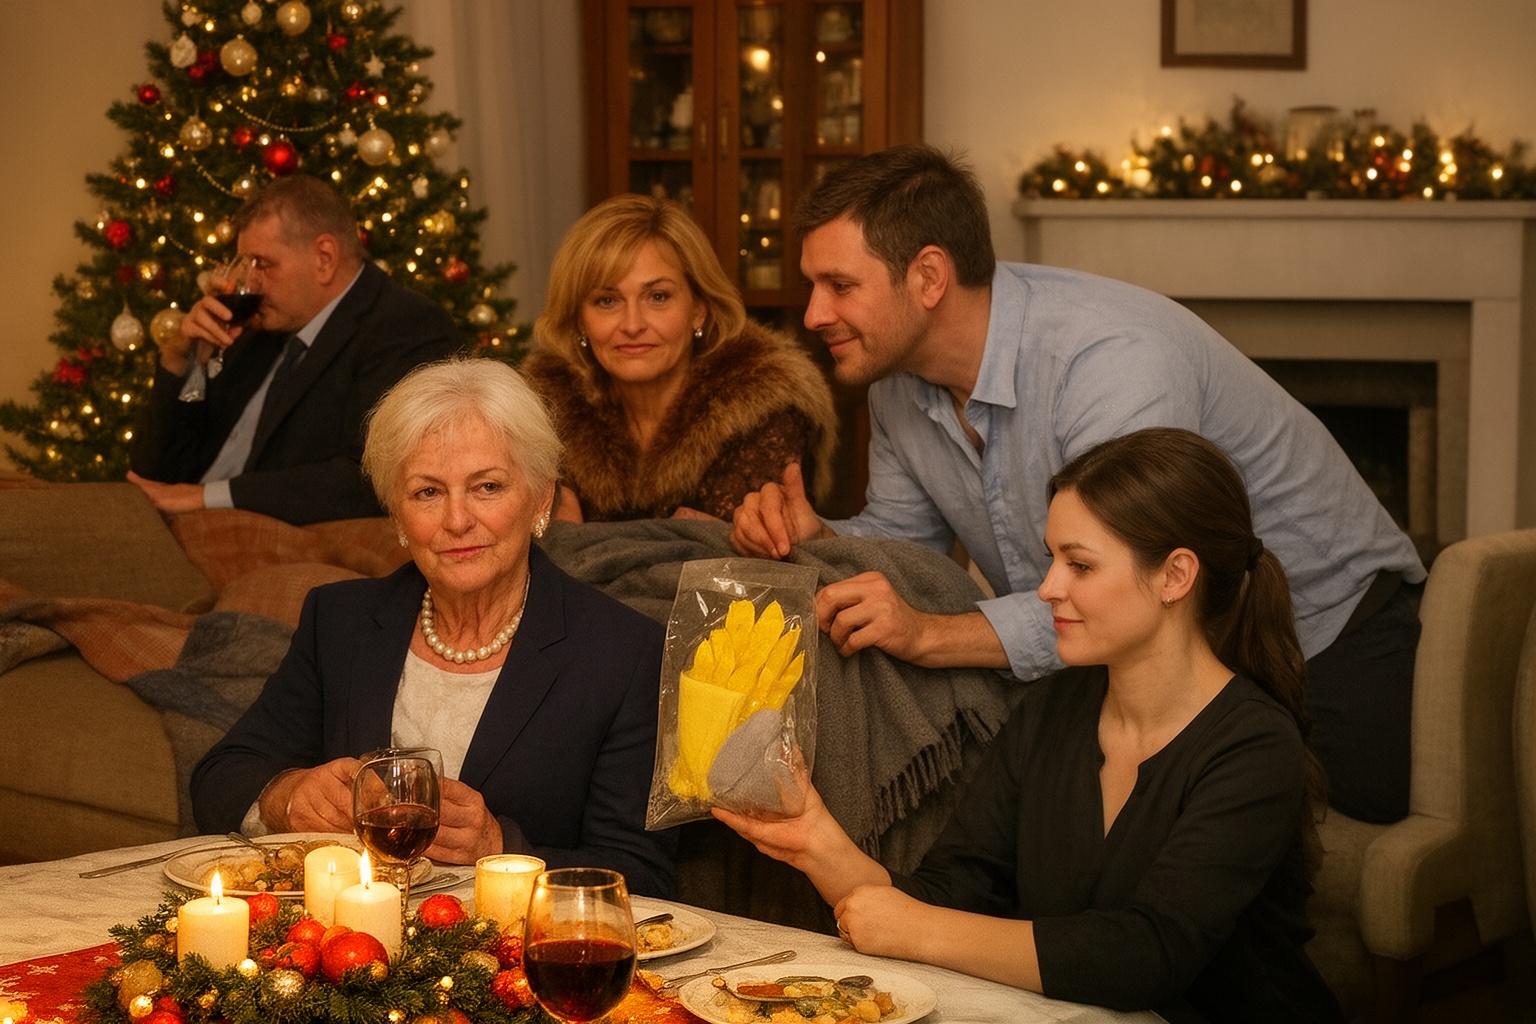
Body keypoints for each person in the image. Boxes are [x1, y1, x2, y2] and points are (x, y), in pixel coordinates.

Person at [730, 144, 1425, 825]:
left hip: (1325, 632)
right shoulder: (898, 385)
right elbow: (905, 543)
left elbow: (1129, 590)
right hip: (1136, 657)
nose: (813, 314)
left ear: (930, 277)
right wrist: (820, 536)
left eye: (840, 286)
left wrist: (931, 636)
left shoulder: (1109, 362)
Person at [719, 428, 1344, 1023]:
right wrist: (816, 841)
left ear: (1175, 576)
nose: (1047, 588)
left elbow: (1146, 955)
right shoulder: (1052, 708)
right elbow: (951, 895)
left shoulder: (1256, 745)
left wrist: (919, 931)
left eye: (1080, 565)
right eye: (1052, 560)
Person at [190, 357, 676, 896]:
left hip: (515, 941)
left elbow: (643, 874)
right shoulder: (340, 622)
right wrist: (287, 795)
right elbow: (221, 775)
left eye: (487, 487)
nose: (457, 520)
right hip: (344, 932)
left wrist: (500, 847)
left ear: (541, 499)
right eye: (428, 492)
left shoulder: (624, 653)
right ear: (397, 515)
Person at [128, 174, 460, 525]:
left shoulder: (406, 327)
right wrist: (180, 360)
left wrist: (204, 498)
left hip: (258, 539)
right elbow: (154, 472)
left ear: (324, 258)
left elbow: (370, 478)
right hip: (183, 527)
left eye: (263, 265)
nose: (249, 282)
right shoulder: (257, 329)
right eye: (245, 265)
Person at [523, 192, 838, 522]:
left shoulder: (763, 410)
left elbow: (731, 554)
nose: (632, 325)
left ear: (699, 310)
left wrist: (572, 537)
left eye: (658, 297)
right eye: (607, 301)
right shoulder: (546, 414)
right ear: (579, 320)